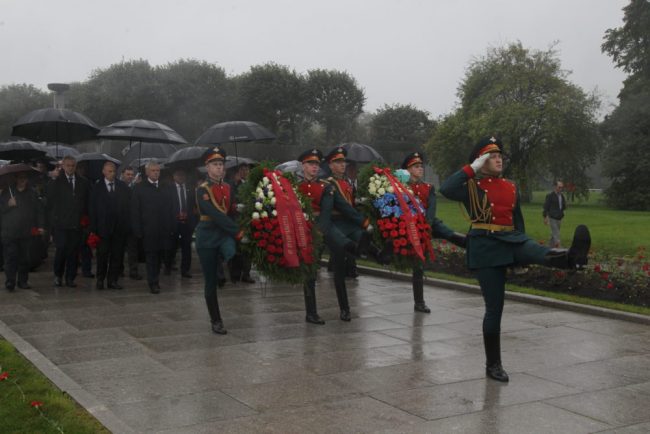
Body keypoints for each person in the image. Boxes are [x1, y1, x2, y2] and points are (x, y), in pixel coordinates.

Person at [440, 136, 591, 382]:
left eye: (500, 156)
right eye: (492, 156)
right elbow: (445, 189)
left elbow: (517, 221)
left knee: (534, 250)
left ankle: (570, 258)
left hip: (511, 239)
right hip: (485, 247)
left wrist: (521, 250)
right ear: (481, 160)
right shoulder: (470, 186)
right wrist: (473, 168)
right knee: (494, 308)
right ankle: (493, 364)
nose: (499, 159)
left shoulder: (511, 186)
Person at [321, 146, 387, 321]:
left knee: (365, 240)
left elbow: (351, 205)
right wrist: (364, 222)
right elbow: (343, 207)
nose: (342, 165)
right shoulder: (328, 184)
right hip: (337, 226)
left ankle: (380, 256)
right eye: (338, 162)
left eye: (343, 162)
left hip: (350, 224)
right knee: (339, 270)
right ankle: (344, 308)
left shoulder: (347, 184)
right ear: (330, 165)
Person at [401, 151, 466, 313]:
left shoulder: (428, 187)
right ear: (408, 170)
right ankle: (419, 302)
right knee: (418, 265)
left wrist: (427, 226)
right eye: (416, 166)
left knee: (448, 232)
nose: (420, 169)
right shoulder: (401, 188)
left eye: (421, 166)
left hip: (428, 223)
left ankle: (470, 244)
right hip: (411, 226)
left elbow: (431, 209)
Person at [195, 147, 241, 334]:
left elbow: (230, 211)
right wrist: (237, 231)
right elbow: (215, 214)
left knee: (233, 251)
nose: (219, 168)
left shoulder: (229, 187)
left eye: (221, 164)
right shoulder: (202, 190)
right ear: (207, 167)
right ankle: (216, 320)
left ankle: (234, 265)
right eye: (215, 165)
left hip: (223, 235)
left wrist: (240, 209)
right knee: (210, 281)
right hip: (207, 237)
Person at [46, 155, 90, 288]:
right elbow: (49, 198)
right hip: (61, 223)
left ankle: (70, 277)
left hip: (76, 223)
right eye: (68, 165)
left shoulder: (83, 182)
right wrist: (53, 178)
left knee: (73, 252)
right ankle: (58, 275)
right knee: (61, 249)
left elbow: (86, 202)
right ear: (63, 166)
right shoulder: (57, 181)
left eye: (73, 165)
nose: (70, 168)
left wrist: (86, 221)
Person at [130, 160, 173, 294]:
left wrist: (171, 226)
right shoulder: (139, 187)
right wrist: (137, 230)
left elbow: (171, 208)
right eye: (153, 170)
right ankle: (153, 282)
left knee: (159, 257)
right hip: (148, 230)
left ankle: (156, 279)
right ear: (147, 172)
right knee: (151, 257)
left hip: (163, 230)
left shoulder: (165, 187)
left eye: (158, 170)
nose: (156, 173)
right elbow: (135, 210)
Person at [297, 149, 327, 324]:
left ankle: (312, 311)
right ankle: (311, 312)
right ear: (303, 166)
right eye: (311, 164)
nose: (314, 167)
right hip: (301, 229)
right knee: (308, 270)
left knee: (312, 270)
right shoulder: (296, 186)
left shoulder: (323, 186)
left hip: (317, 229)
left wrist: (320, 230)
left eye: (316, 164)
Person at [0, 172, 45, 291]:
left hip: (26, 231)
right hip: (9, 231)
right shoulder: (7, 192)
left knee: (24, 258)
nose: (22, 180)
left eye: (24, 178)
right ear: (16, 179)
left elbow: (39, 211)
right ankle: (10, 281)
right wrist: (8, 205)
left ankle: (23, 281)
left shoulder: (32, 193)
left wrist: (40, 226)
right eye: (20, 178)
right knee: (10, 257)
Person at [89, 162, 130, 290]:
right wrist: (93, 229)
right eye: (109, 171)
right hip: (103, 229)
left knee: (117, 256)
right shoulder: (96, 188)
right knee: (102, 255)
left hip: (119, 228)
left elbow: (128, 208)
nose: (112, 174)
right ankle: (100, 279)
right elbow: (92, 210)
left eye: (114, 171)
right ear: (104, 172)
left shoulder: (123, 187)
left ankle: (112, 280)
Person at [164, 168, 196, 278]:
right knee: (171, 246)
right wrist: (174, 216)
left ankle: (185, 270)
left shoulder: (190, 189)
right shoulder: (169, 189)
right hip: (174, 222)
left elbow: (193, 206)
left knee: (187, 247)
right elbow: (166, 207)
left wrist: (189, 215)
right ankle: (168, 266)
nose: (181, 177)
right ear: (174, 176)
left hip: (187, 222)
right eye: (178, 175)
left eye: (183, 175)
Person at [227, 162, 255, 284]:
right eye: (242, 169)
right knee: (236, 248)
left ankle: (246, 273)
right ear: (238, 171)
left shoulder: (251, 185)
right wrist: (236, 206)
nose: (245, 172)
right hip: (236, 220)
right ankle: (234, 274)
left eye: (247, 170)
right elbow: (228, 201)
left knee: (248, 249)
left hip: (248, 220)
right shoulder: (232, 185)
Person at [119, 167, 142, 280]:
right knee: (119, 249)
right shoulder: (118, 186)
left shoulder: (135, 187)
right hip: (120, 223)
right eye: (128, 174)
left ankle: (133, 271)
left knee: (133, 250)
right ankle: (119, 270)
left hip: (132, 223)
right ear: (122, 174)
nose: (130, 176)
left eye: (131, 174)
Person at [543, 180, 567, 248]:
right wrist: (545, 217)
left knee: (553, 234)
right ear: (555, 187)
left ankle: (549, 247)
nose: (561, 189)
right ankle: (559, 247)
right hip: (552, 217)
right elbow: (546, 207)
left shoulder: (562, 196)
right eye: (559, 187)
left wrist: (564, 208)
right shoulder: (550, 196)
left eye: (562, 187)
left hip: (559, 218)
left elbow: (563, 207)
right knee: (556, 233)